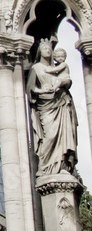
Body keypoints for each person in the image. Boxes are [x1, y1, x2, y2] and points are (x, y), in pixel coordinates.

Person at [26, 42, 78, 175]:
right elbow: (30, 88)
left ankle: (63, 166)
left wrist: (64, 83)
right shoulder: (36, 68)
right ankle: (45, 166)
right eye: (44, 48)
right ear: (39, 52)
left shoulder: (59, 68)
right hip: (46, 106)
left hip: (62, 103)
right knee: (49, 136)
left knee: (64, 136)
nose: (47, 51)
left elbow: (67, 79)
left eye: (49, 49)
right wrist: (42, 91)